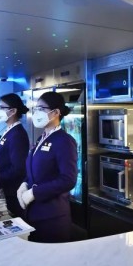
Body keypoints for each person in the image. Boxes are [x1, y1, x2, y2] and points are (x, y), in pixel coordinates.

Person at [17, 92, 77, 243]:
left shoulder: (64, 141)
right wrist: (24, 183)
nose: (37, 113)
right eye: (36, 109)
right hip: (34, 214)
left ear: (56, 112)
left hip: (52, 218)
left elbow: (68, 179)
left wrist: (34, 192)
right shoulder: (41, 138)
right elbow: (36, 169)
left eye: (41, 109)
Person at [0, 93, 30, 218]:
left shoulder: (17, 134)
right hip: (5, 189)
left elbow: (18, 168)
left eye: (1, 108)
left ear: (13, 111)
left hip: (12, 192)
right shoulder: (9, 131)